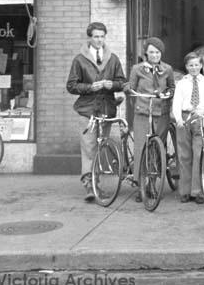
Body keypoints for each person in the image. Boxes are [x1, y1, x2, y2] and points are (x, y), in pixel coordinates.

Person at [66, 22, 126, 202]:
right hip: (88, 110)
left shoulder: (113, 58)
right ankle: (89, 185)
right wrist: (90, 87)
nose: (99, 40)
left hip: (107, 108)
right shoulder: (79, 59)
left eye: (102, 36)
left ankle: (95, 180)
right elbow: (71, 86)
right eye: (96, 36)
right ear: (89, 38)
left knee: (101, 147)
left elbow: (122, 82)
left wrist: (112, 85)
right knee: (89, 147)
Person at [127, 36, 176, 202]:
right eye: (151, 52)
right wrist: (129, 90)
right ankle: (140, 184)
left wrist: (168, 93)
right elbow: (130, 87)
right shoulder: (137, 69)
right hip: (142, 113)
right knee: (141, 147)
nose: (155, 55)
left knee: (157, 148)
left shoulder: (167, 69)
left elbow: (171, 87)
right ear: (146, 53)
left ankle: (152, 185)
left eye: (157, 52)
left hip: (160, 113)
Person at [171, 52, 204, 204]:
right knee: (184, 155)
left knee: (199, 154)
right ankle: (184, 191)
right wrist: (178, 119)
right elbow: (176, 102)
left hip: (199, 118)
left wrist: (203, 111)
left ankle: (198, 191)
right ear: (186, 67)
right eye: (191, 65)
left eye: (197, 64)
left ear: (201, 65)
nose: (194, 67)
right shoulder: (182, 83)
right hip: (184, 118)